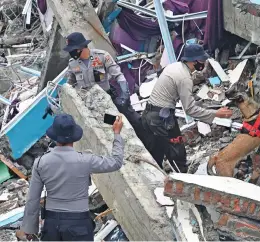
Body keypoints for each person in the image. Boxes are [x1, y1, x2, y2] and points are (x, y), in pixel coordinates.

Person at [21, 114, 125, 241]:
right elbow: (116, 162)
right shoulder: (86, 160)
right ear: (74, 136)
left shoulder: (40, 162)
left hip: (52, 225)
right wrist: (117, 134)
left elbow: (33, 198)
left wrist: (29, 229)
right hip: (78, 224)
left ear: (54, 135)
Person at [142, 44, 233, 173]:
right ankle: (183, 182)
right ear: (194, 61)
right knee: (177, 152)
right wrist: (215, 114)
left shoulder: (174, 66)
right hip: (161, 119)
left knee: (155, 152)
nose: (203, 64)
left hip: (148, 114)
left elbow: (174, 86)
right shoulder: (185, 78)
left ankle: (156, 181)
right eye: (202, 61)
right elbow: (190, 110)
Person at [63, 32, 147, 144]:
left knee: (135, 121)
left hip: (108, 99)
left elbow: (118, 75)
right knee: (113, 127)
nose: (71, 53)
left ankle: (149, 145)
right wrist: (62, 99)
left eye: (72, 49)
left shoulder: (102, 56)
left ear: (80, 48)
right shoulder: (73, 64)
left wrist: (124, 95)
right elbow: (70, 84)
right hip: (92, 106)